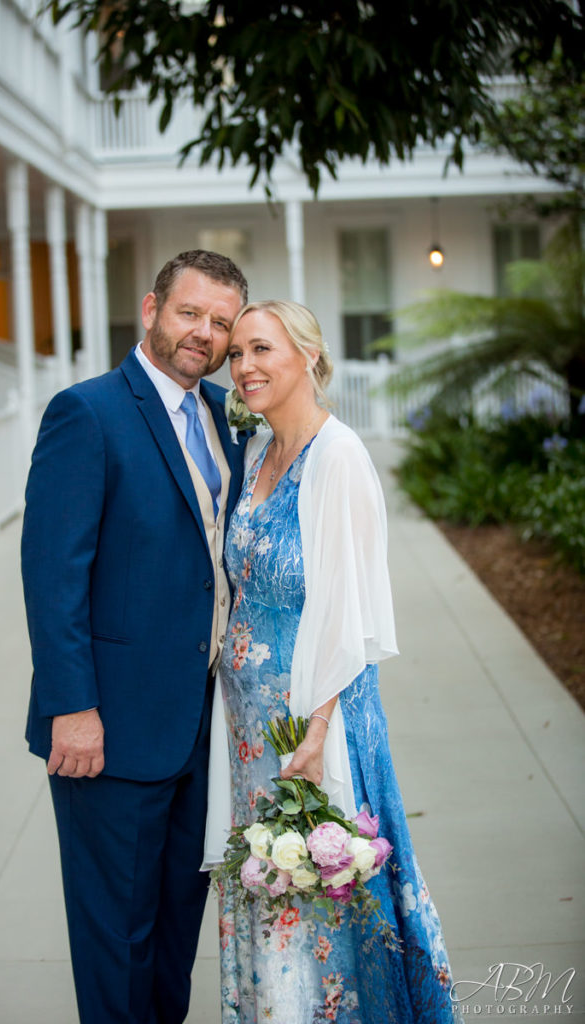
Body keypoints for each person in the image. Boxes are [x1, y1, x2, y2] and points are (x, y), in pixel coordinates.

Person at [206, 300, 463, 1023]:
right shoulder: (258, 454)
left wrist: (315, 735)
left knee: (320, 886)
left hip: (312, 724)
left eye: (262, 349)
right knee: (267, 877)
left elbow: (349, 610)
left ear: (310, 359)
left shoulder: (337, 455)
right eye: (237, 355)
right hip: (252, 729)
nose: (245, 367)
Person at [21, 250, 249, 1024]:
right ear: (151, 309)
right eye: (191, 313)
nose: (205, 334)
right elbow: (52, 578)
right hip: (108, 728)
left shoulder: (224, 416)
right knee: (116, 936)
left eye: (221, 323)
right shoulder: (86, 413)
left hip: (198, 723)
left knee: (175, 927)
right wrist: (71, 707)